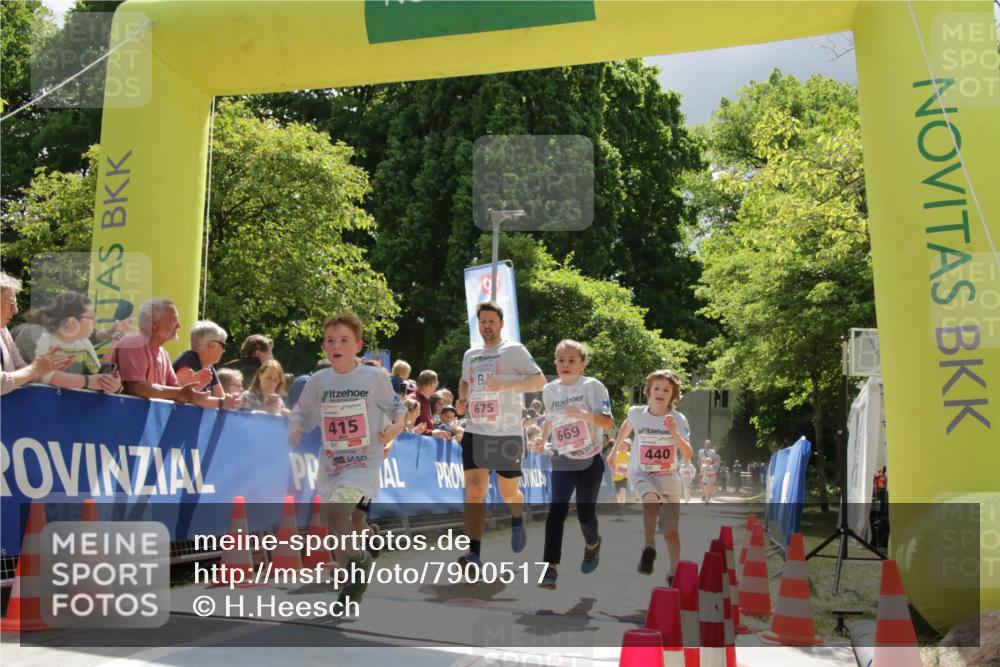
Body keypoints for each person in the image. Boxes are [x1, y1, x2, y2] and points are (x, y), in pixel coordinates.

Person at [288, 312, 405, 605]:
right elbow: (302, 410)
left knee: (338, 513)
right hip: (331, 461)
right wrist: (297, 425)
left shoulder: (373, 377)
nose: (336, 345)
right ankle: (349, 586)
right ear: (324, 347)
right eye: (330, 340)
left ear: (358, 345)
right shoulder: (318, 380)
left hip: (364, 460)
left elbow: (397, 408)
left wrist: (395, 426)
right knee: (332, 519)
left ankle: (359, 562)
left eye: (343, 340)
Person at [455, 302, 545, 565]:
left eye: (492, 321)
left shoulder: (514, 351)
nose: (487, 326)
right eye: (483, 321)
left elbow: (539, 381)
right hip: (476, 430)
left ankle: (517, 518)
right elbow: (464, 381)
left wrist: (507, 384)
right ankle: (474, 553)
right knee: (474, 490)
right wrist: (463, 399)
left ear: (501, 323)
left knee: (509, 493)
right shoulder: (470, 354)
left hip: (506, 432)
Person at [536, 340, 613, 590]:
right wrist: (541, 437)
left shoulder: (593, 386)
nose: (565, 365)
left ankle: (593, 544)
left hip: (590, 460)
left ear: (583, 364)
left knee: (585, 514)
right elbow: (549, 418)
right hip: (563, 459)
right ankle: (550, 568)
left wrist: (584, 415)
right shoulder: (549, 390)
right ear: (555, 362)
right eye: (561, 360)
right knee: (555, 512)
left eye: (571, 360)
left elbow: (608, 423)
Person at [606, 369, 692, 584]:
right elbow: (626, 426)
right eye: (657, 388)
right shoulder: (636, 413)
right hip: (642, 472)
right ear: (648, 391)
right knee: (650, 499)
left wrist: (674, 432)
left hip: (668, 478)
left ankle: (673, 573)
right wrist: (615, 450)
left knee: (671, 532)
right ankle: (649, 546)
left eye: (666, 390)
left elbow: (688, 454)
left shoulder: (678, 419)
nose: (660, 393)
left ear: (673, 395)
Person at [111, 298, 234, 409]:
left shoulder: (163, 353)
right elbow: (137, 388)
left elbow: (177, 393)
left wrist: (192, 387)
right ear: (154, 323)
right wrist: (181, 392)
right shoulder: (134, 342)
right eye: (174, 320)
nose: (179, 325)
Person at [32, 291, 122, 394]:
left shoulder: (84, 343)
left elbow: (98, 377)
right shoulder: (43, 339)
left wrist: (112, 385)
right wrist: (89, 381)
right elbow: (42, 376)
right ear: (72, 322)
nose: (95, 322)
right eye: (92, 318)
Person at [1, 273, 75, 395]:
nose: (16, 311)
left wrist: (46, 368)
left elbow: (22, 370)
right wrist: (35, 369)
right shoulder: (33, 332)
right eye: (11, 303)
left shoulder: (3, 331)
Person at [173, 320, 242, 409]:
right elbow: (182, 395)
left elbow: (220, 397)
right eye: (223, 345)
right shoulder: (189, 359)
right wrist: (222, 403)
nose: (224, 350)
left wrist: (233, 401)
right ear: (211, 345)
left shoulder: (209, 366)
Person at [611, 438, 631, 518]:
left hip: (625, 477)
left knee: (622, 490)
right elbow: (612, 465)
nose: (622, 447)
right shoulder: (616, 454)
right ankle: (619, 506)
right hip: (616, 477)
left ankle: (621, 507)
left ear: (628, 447)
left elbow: (631, 466)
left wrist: (628, 472)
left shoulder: (629, 455)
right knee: (618, 494)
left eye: (624, 446)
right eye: (621, 445)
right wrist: (613, 471)